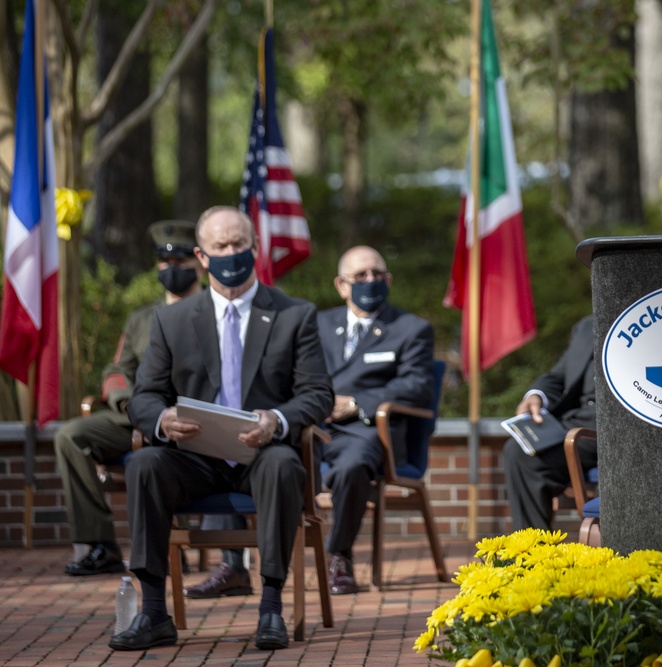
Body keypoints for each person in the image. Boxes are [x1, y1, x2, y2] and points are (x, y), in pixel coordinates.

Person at [112, 206, 332, 651]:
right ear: (202, 256)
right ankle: (154, 611)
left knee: (283, 466)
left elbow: (317, 394)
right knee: (145, 463)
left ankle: (271, 608)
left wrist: (278, 420)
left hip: (262, 453)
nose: (231, 253)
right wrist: (162, 419)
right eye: (220, 246)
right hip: (196, 458)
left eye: (238, 244)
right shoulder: (171, 321)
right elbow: (144, 395)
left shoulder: (295, 315)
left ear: (255, 248)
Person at [56, 220, 204, 576]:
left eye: (181, 262)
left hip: (192, 418)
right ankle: (99, 543)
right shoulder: (142, 318)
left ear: (199, 263)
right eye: (164, 263)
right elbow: (116, 369)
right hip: (136, 414)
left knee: (164, 452)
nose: (171, 270)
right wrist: (125, 400)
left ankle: (172, 543)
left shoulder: (214, 312)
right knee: (70, 436)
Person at [316, 246, 434, 595]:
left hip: (369, 431)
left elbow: (418, 385)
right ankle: (245, 564)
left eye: (377, 274)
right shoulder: (318, 324)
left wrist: (355, 403)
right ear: (341, 285)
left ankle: (339, 554)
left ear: (388, 280)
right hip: (314, 426)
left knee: (352, 466)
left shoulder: (411, 329)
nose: (370, 281)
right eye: (361, 276)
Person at [503, 315, 597, 531]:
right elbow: (557, 376)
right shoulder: (587, 326)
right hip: (577, 426)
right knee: (521, 452)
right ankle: (535, 556)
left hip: (622, 430)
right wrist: (536, 396)